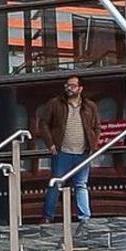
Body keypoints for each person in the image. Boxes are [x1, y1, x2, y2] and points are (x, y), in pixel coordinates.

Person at [50, 75, 98, 223]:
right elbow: (44, 123)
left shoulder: (89, 106)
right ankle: (48, 216)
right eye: (67, 86)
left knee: (81, 185)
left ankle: (85, 217)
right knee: (56, 184)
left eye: (72, 86)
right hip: (62, 152)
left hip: (82, 153)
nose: (68, 88)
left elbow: (97, 127)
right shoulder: (56, 104)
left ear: (80, 88)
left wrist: (93, 145)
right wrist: (50, 143)